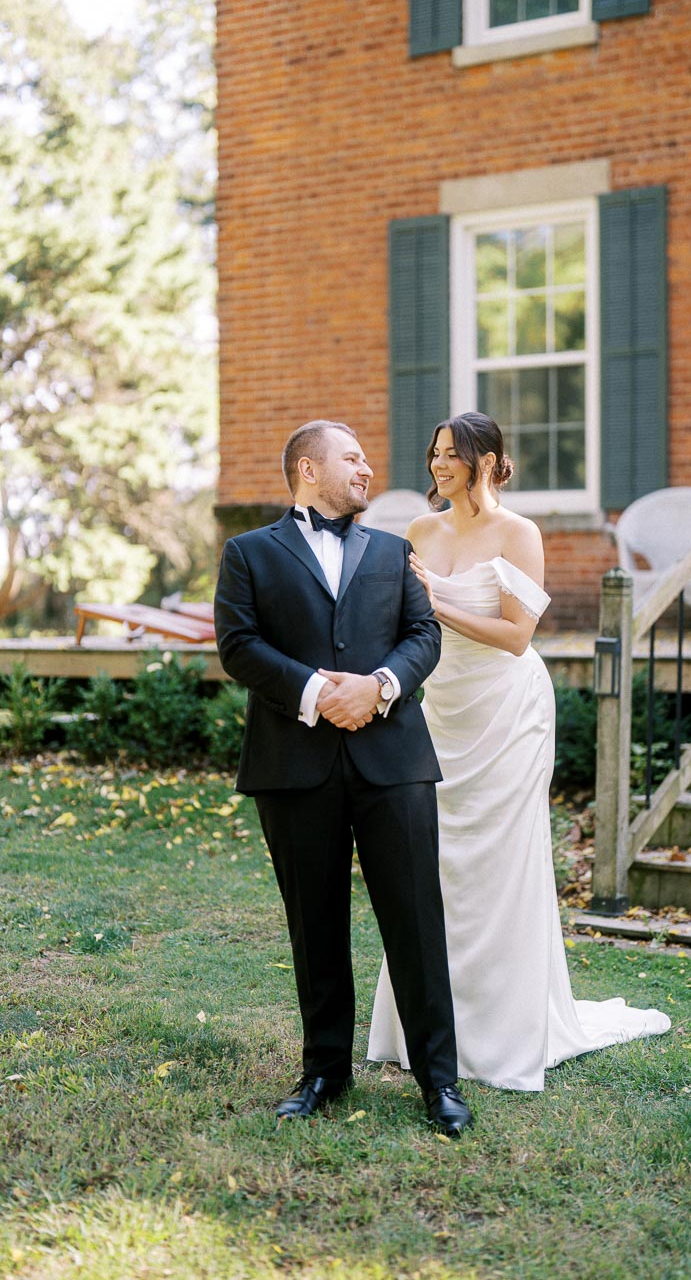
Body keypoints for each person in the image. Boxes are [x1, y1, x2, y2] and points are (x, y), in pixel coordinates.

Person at [367, 412, 670, 1091]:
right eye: (434, 453)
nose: (437, 465)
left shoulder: (519, 534)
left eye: (450, 455)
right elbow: (407, 622)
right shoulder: (419, 531)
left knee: (500, 865)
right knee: (434, 862)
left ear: (485, 461)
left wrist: (438, 607)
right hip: (441, 711)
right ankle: (422, 1026)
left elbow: (515, 637)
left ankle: (503, 1034)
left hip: (507, 713)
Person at [214, 419, 472, 1135]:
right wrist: (317, 695)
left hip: (394, 762)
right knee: (315, 924)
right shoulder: (248, 554)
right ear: (307, 468)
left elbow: (426, 636)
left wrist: (379, 686)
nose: (366, 470)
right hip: (294, 765)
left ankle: (439, 1082)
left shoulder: (396, 552)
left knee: (416, 920)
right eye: (351, 459)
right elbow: (238, 645)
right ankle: (325, 1070)